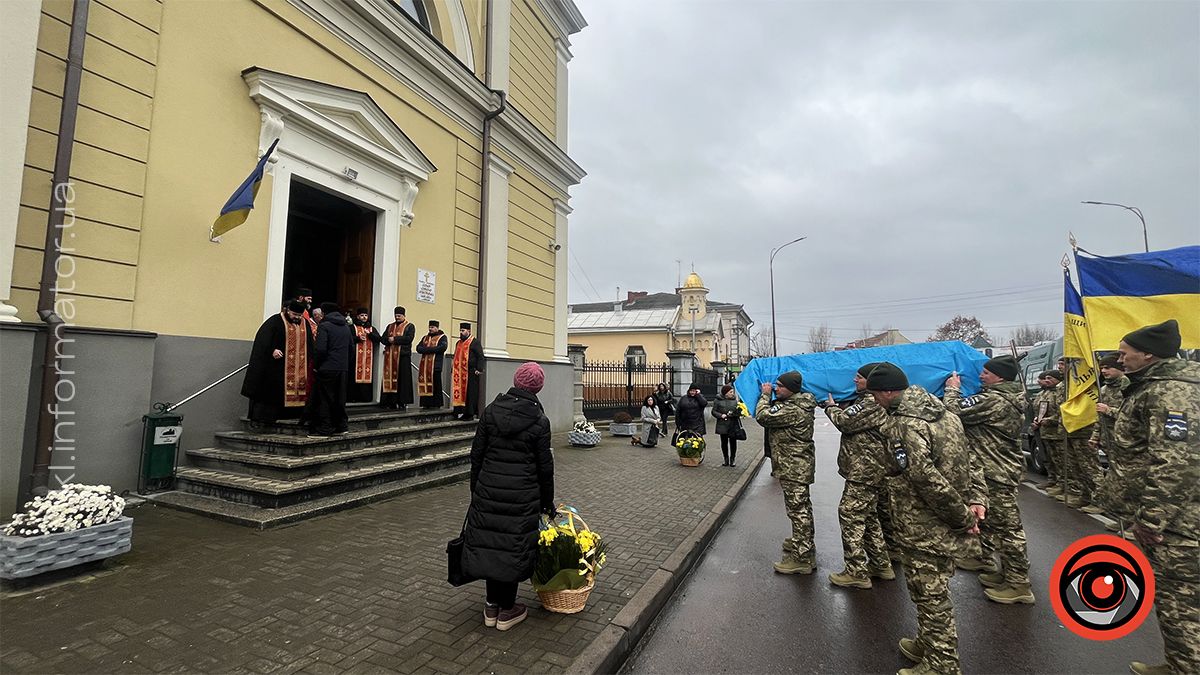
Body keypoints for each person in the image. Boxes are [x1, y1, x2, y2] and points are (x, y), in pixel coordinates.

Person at [867, 362, 982, 675]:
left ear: (888, 392)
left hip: (922, 522)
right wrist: (975, 500)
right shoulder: (944, 411)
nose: (874, 401)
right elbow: (970, 458)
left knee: (930, 594)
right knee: (927, 588)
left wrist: (962, 518)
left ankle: (942, 664)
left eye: (875, 394)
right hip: (941, 519)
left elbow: (924, 476)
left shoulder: (905, 424)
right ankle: (929, 642)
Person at [1113, 320, 1199, 675]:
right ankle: (1181, 662)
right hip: (1183, 512)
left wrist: (1151, 519)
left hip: (1180, 520)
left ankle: (1186, 667)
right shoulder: (1163, 386)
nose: (1120, 359)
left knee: (1179, 597)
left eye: (1124, 352)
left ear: (1147, 353)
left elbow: (1177, 462)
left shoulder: (1169, 393)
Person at [462, 362, 555, 632]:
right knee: (512, 547)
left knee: (492, 544)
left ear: (515, 381)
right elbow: (544, 467)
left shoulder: (491, 411)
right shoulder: (539, 420)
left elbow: (476, 454)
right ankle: (507, 610)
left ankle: (491, 605)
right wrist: (546, 502)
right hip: (523, 495)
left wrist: (476, 489)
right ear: (538, 387)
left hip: (488, 490)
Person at [944, 356, 1034, 604]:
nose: (981, 376)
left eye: (986, 373)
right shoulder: (1007, 397)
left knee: (1009, 528)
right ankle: (992, 564)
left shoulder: (993, 400)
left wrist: (952, 390)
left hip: (996, 470)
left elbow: (954, 413)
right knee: (992, 521)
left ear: (1000, 377)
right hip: (996, 467)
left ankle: (1018, 585)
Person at [823, 363, 893, 589]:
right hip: (870, 470)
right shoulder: (868, 402)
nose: (855, 380)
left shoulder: (871, 403)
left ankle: (856, 571)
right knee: (869, 516)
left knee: (850, 513)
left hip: (865, 470)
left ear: (872, 382)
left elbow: (845, 422)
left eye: (859, 377)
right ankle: (881, 564)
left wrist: (830, 407)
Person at [755, 370, 818, 574]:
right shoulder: (797, 404)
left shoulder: (793, 410)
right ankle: (803, 543)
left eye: (780, 386)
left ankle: (802, 559)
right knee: (801, 509)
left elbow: (763, 416)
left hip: (794, 467)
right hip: (795, 465)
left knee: (798, 511)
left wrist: (764, 395)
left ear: (790, 389)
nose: (775, 388)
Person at [242, 300, 314, 424]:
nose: (297, 318)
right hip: (277, 367)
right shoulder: (275, 321)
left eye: (299, 315)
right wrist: (272, 349)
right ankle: (268, 417)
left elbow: (310, 344)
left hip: (299, 368)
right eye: (294, 314)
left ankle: (294, 414)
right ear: (288, 311)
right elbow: (262, 341)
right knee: (273, 393)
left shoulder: (305, 323)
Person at [1090, 354, 1130, 534]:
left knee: (1129, 482)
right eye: (1102, 368)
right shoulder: (1104, 390)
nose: (1104, 371)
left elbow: (1131, 416)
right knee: (1117, 481)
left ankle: (1133, 522)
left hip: (1127, 442)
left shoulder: (1128, 386)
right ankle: (1123, 519)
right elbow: (1100, 417)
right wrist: (1095, 436)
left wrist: (1110, 410)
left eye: (1108, 367)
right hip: (1110, 442)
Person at [1058, 357, 1103, 512]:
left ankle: (1099, 500)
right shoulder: (1067, 385)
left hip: (1086, 428)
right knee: (1077, 466)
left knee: (1090, 467)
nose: (1061, 367)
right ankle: (1085, 496)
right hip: (1071, 429)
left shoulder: (1085, 382)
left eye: (1065, 364)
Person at [310, 302, 352, 437]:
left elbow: (321, 349)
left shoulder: (324, 326)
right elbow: (351, 349)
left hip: (327, 367)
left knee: (325, 399)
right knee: (340, 398)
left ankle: (325, 428)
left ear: (324, 313)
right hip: (342, 368)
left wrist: (317, 365)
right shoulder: (346, 327)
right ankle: (341, 426)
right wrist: (344, 363)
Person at [1032, 370, 1066, 498]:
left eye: (1049, 378)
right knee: (1049, 458)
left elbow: (1062, 412)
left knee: (1060, 460)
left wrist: (1049, 420)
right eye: (1045, 378)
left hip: (1057, 432)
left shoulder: (1060, 393)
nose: (1046, 381)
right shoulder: (1043, 393)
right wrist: (1037, 420)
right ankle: (1053, 480)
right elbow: (1038, 410)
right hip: (1044, 431)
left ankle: (1063, 485)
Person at [379, 307, 416, 410]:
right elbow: (383, 338)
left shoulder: (409, 326)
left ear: (404, 316)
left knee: (402, 380)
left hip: (403, 357)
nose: (397, 317)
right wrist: (388, 340)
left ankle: (402, 402)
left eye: (399, 316)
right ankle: (388, 401)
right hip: (390, 358)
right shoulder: (390, 326)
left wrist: (394, 339)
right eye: (396, 316)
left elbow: (409, 339)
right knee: (389, 379)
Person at [452, 322, 485, 421]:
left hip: (471, 372)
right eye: (460, 330)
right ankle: (458, 411)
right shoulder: (458, 343)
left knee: (470, 393)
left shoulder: (474, 342)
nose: (461, 333)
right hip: (459, 372)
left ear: (469, 331)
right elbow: (455, 356)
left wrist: (479, 369)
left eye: (463, 331)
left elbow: (480, 356)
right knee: (459, 393)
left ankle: (469, 414)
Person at [347, 308, 381, 403]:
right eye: (362, 315)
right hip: (354, 358)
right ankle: (352, 397)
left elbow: (379, 339)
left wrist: (370, 335)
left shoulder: (371, 328)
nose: (364, 317)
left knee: (366, 377)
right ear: (358, 316)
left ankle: (365, 398)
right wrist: (357, 338)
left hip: (367, 359)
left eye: (366, 315)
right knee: (353, 377)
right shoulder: (352, 327)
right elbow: (347, 339)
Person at [416, 320, 448, 409]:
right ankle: (425, 403)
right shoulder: (425, 338)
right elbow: (418, 348)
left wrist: (426, 350)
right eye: (430, 327)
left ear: (437, 328)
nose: (430, 329)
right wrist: (430, 349)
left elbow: (442, 348)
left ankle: (436, 403)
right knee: (425, 384)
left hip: (435, 366)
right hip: (425, 366)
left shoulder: (442, 337)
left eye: (432, 327)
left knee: (436, 385)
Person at [712, 385, 742, 467]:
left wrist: (736, 413)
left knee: (733, 442)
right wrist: (721, 415)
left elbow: (738, 411)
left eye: (732, 392)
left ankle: (732, 459)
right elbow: (713, 411)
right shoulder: (717, 400)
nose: (732, 393)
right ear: (725, 393)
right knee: (724, 442)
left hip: (732, 424)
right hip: (722, 424)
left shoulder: (734, 401)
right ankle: (726, 458)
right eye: (730, 392)